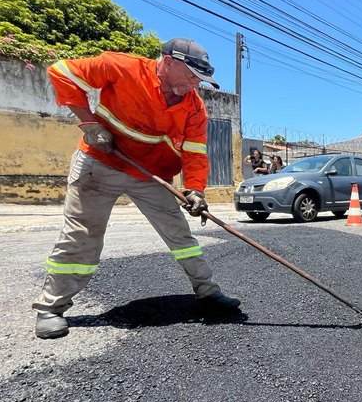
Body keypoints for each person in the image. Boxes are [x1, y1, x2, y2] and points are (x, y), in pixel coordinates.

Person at [32, 37, 242, 339]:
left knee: (180, 235)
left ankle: (208, 292)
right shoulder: (122, 67)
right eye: (190, 76)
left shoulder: (194, 107)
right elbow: (61, 71)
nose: (194, 85)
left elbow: (195, 152)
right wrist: (89, 124)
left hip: (151, 175)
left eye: (199, 80)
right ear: (168, 62)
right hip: (101, 163)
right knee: (81, 236)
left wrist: (195, 190)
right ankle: (51, 308)